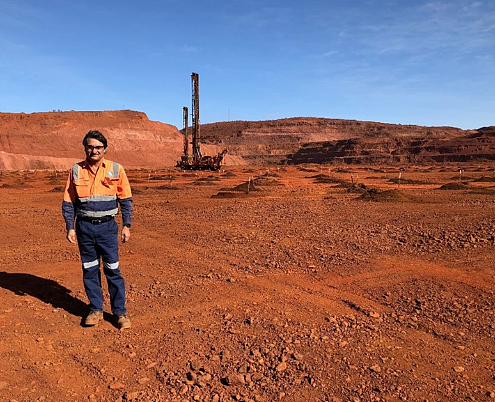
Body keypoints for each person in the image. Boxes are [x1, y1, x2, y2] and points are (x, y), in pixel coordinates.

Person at [62, 130, 133, 329]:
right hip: (84, 228)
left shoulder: (116, 169)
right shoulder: (76, 170)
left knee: (113, 270)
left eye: (98, 147)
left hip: (107, 228)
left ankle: (119, 313)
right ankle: (95, 309)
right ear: (85, 148)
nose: (94, 150)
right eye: (90, 147)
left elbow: (126, 200)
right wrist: (70, 227)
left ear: (105, 149)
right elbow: (69, 201)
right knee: (90, 269)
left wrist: (126, 225)